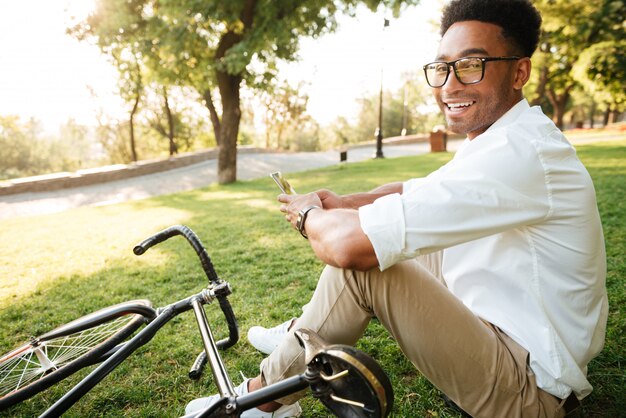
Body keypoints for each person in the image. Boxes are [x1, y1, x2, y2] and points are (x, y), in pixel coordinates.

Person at [186, 0, 608, 416]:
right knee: (400, 230)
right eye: (442, 68)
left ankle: (253, 403)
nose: (450, 85)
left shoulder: (520, 152)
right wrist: (344, 201)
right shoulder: (504, 137)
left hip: (528, 390)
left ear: (519, 72)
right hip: (502, 340)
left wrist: (307, 215)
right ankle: (300, 338)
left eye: (471, 65)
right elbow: (416, 190)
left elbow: (349, 247)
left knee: (365, 267)